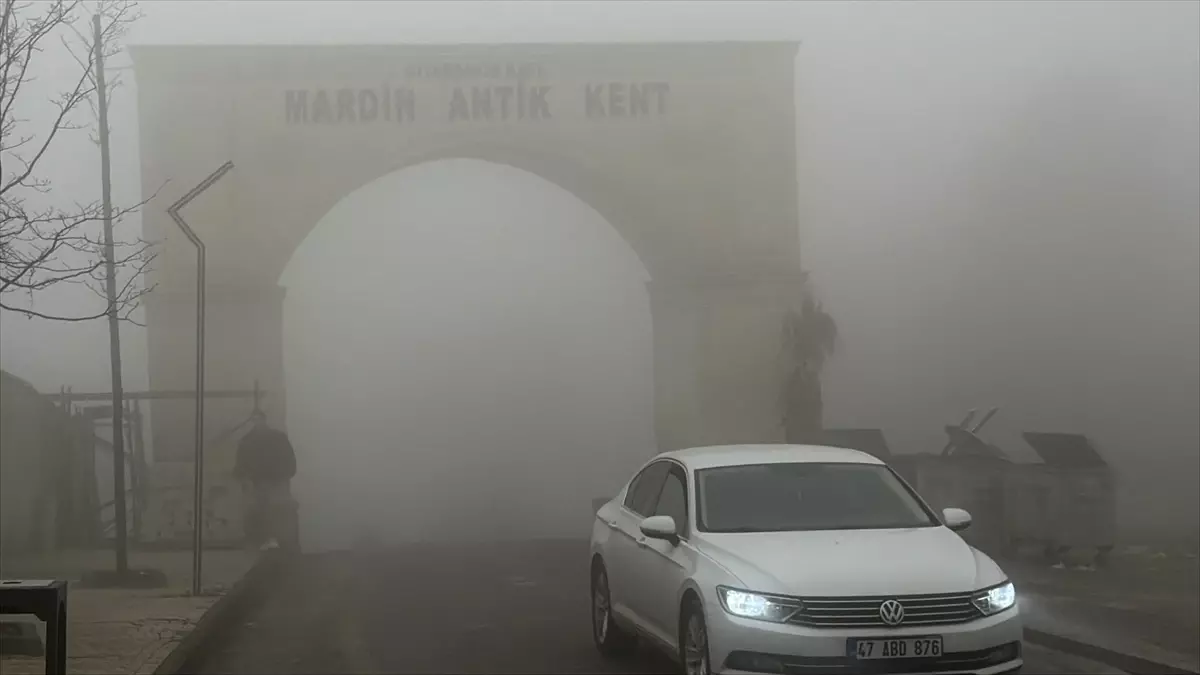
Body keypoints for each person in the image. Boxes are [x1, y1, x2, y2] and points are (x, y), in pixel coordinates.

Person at [234, 411, 298, 551]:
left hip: (268, 480)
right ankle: (268, 539)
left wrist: (242, 475)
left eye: (258, 420)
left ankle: (268, 539)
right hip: (264, 480)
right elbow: (289, 457)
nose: (258, 423)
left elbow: (289, 458)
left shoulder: (250, 440)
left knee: (269, 509)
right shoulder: (274, 438)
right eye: (255, 420)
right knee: (265, 510)